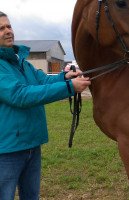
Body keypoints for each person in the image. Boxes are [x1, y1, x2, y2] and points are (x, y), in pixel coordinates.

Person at [0, 11, 91, 200]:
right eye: (1, 28)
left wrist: (64, 77)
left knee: (32, 196)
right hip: (7, 151)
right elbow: (20, 95)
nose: (8, 31)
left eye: (9, 26)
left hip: (32, 144)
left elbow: (41, 81)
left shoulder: (21, 62)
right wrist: (69, 87)